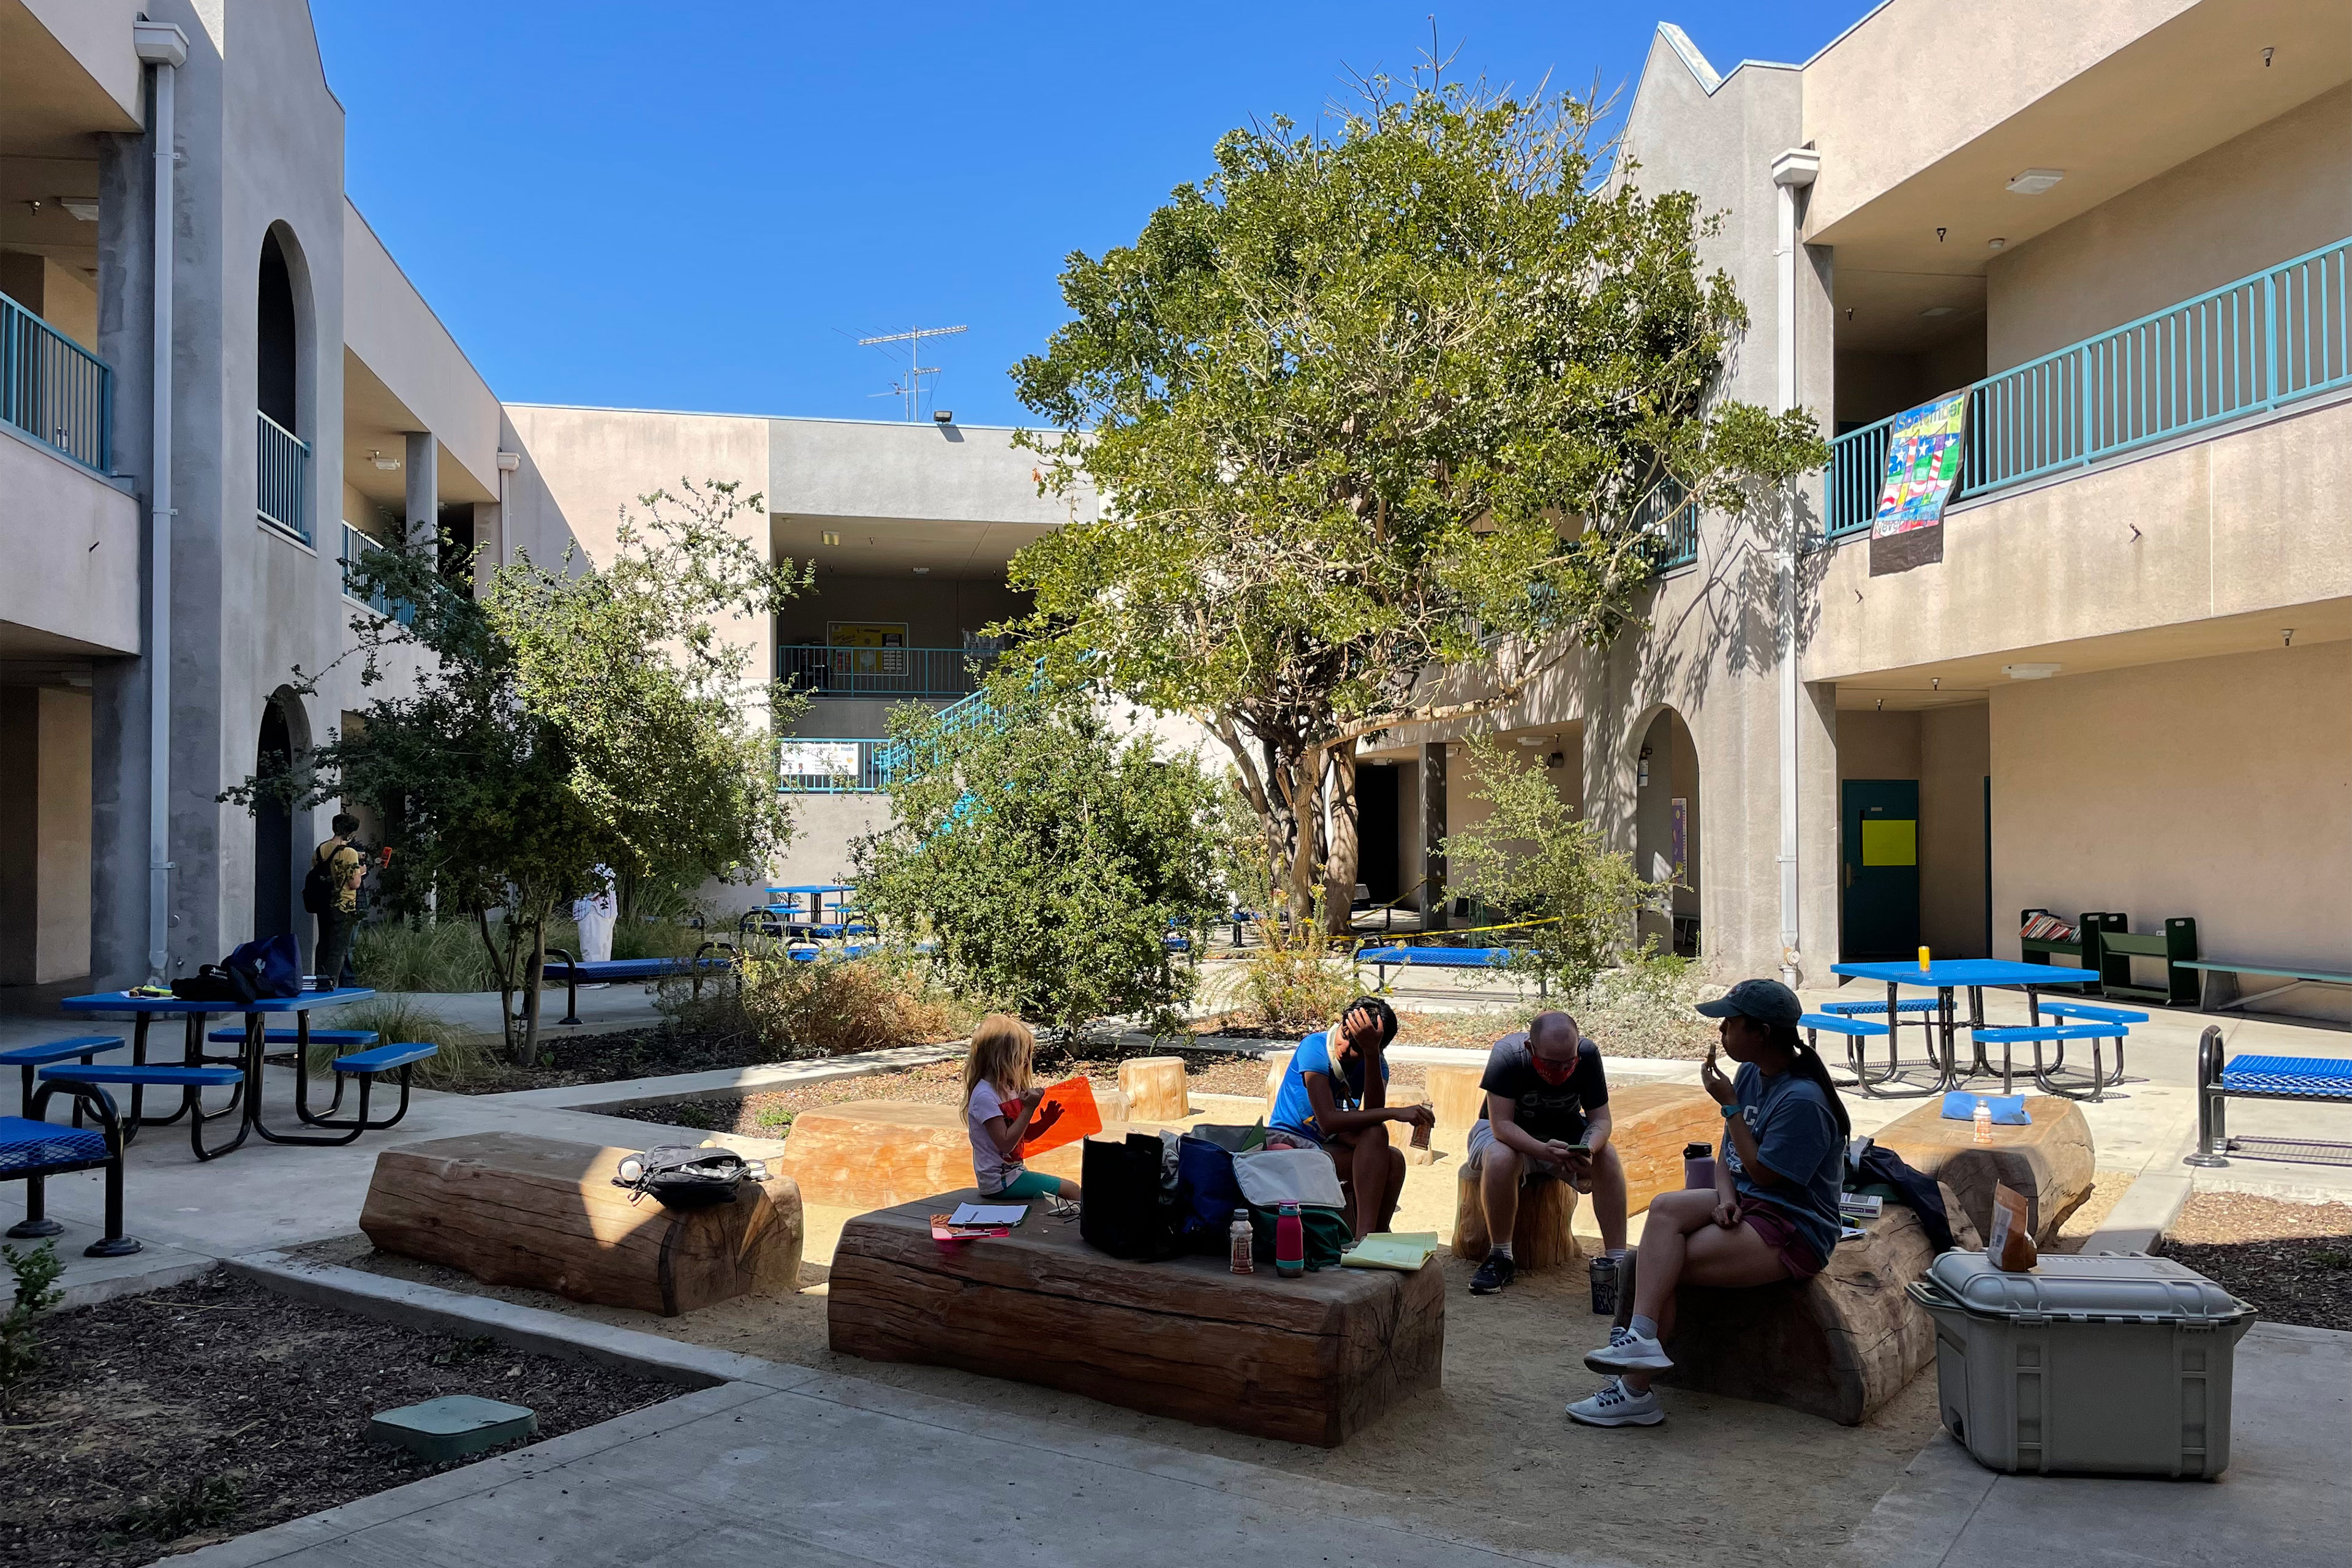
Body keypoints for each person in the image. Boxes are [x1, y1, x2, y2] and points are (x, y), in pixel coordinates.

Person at [1566, 978, 1851, 1428]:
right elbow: (1730, 1157)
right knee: (1663, 1208)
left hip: (1792, 1229)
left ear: (1761, 1033)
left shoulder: (1803, 1101)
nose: (1721, 1033)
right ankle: (1640, 1337)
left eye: (1730, 1023)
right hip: (1750, 1204)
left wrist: (1731, 1107)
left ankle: (1635, 1393)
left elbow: (1763, 1173)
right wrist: (1724, 1196)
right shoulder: (1752, 1072)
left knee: (1659, 1268)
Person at [1463, 1011, 1629, 1295]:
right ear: (1531, 1048)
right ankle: (1500, 1255)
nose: (1561, 1070)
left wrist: (1588, 1147)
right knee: (1502, 1158)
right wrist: (1543, 1151)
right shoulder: (1509, 1054)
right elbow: (1501, 1125)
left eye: (1569, 1062)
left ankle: (1619, 1261)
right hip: (1508, 1134)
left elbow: (1601, 1120)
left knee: (1608, 1156)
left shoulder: (1587, 1055)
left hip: (1564, 1137)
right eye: (1551, 1063)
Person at [1266, 996, 1433, 1241]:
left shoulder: (1375, 1062)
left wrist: (1371, 1055)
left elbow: (1372, 1117)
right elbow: (1328, 1121)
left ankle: (1373, 1235)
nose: (1344, 1048)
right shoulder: (1315, 1047)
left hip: (1329, 1144)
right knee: (1382, 1145)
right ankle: (1363, 1238)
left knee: (1394, 1158)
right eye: (1345, 1035)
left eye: (1356, 1046)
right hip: (1292, 1142)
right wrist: (1397, 1112)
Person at [962, 1014, 1079, 1202]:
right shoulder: (985, 1096)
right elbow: (1006, 1143)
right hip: (999, 1182)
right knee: (1072, 1190)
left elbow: (1022, 1135)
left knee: (1068, 1191)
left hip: (1013, 1175)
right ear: (1000, 1058)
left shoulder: (1008, 1089)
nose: (1026, 1062)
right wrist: (1028, 1109)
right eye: (1021, 1056)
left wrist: (1045, 1122)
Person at [311, 813, 366, 990]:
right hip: (344, 904)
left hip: (323, 903)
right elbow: (354, 883)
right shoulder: (349, 853)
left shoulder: (321, 850)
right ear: (349, 833)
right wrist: (361, 871)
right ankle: (330, 982)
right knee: (339, 946)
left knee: (324, 942)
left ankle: (320, 977)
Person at [571, 865, 617, 968]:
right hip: (606, 908)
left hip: (593, 908)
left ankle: (594, 979)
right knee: (603, 947)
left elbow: (597, 889)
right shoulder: (605, 865)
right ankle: (602, 978)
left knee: (592, 948)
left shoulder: (590, 866)